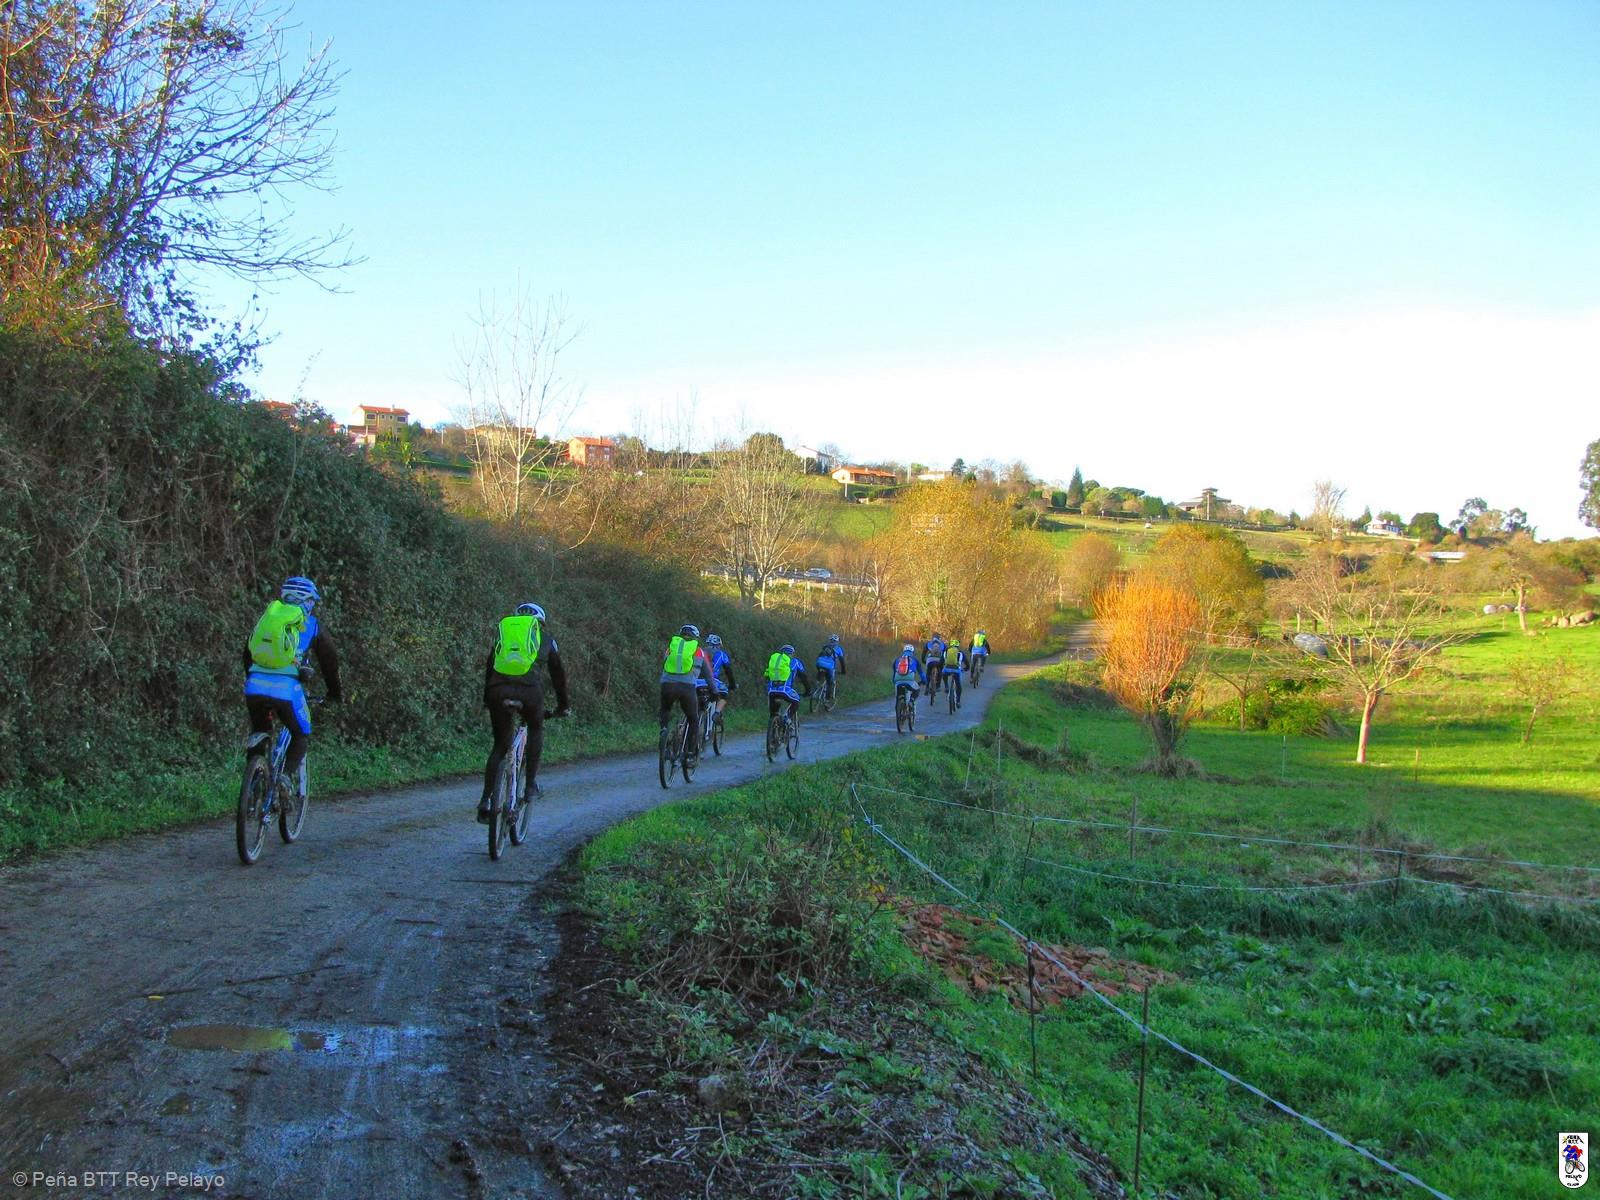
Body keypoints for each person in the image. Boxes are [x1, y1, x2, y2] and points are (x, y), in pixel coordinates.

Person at [243, 575, 343, 804]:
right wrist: (334, 694)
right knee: (300, 734)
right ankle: (285, 778)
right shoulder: (312, 625)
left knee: (260, 729)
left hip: (255, 687)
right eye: (312, 601)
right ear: (307, 601)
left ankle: (253, 785)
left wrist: (251, 679)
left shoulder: (268, 619)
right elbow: (330, 664)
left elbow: (247, 653)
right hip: (287, 690)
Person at [479, 602, 571, 822]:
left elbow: (490, 667)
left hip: (497, 691)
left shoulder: (504, 637)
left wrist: (487, 699)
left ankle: (486, 801)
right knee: (536, 727)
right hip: (529, 692)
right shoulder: (546, 639)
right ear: (540, 622)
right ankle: (530, 786)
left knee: (500, 745)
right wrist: (563, 706)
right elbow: (558, 677)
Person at [661, 623, 714, 762]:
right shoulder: (698, 650)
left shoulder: (671, 647)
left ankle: (664, 732)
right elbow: (708, 675)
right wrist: (714, 691)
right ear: (695, 637)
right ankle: (690, 753)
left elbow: (665, 663)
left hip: (667, 685)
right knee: (693, 720)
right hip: (686, 687)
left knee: (665, 708)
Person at [765, 643, 811, 726]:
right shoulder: (795, 662)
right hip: (785, 690)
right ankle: (788, 719)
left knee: (774, 713)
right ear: (792, 654)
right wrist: (808, 691)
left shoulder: (775, 663)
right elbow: (804, 678)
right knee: (796, 701)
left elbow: (767, 676)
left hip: (772, 691)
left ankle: (773, 725)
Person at [704, 633, 736, 722]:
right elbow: (728, 672)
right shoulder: (722, 654)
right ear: (718, 645)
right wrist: (732, 685)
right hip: (712, 681)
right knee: (724, 694)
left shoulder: (699, 651)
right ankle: (717, 713)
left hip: (695, 680)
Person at [813, 633, 847, 701]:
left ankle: (816, 686)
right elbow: (842, 661)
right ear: (837, 642)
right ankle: (827, 700)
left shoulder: (825, 646)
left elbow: (820, 655)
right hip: (829, 666)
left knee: (821, 672)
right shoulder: (838, 649)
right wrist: (843, 671)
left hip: (819, 663)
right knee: (830, 683)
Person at [943, 637, 966, 707]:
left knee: (944, 674)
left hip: (947, 669)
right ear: (958, 646)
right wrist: (966, 668)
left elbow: (941, 662)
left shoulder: (946, 652)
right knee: (959, 686)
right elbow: (967, 663)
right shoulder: (961, 653)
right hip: (956, 670)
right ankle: (958, 701)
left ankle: (946, 686)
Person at [922, 632, 946, 697]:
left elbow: (924, 652)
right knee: (940, 671)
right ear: (939, 638)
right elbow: (945, 654)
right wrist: (944, 662)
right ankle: (938, 686)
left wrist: (923, 660)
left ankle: (927, 687)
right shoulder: (942, 644)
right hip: (939, 660)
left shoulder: (928, 643)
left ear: (932, 637)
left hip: (930, 660)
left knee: (928, 673)